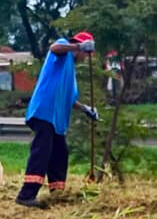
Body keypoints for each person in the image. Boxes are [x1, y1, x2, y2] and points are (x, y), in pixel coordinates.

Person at [17, 31, 98, 209]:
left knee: (60, 153)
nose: (85, 58)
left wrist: (85, 109)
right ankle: (26, 195)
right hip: (44, 111)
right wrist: (78, 46)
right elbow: (54, 48)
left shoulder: (70, 74)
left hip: (56, 119)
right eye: (86, 54)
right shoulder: (64, 50)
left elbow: (70, 99)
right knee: (42, 151)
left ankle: (58, 193)